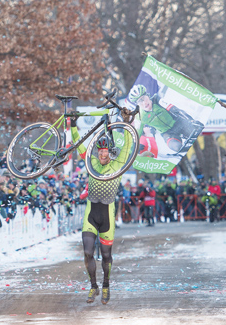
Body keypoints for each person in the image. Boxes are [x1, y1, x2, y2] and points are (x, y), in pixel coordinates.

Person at [71, 107, 134, 305]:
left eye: (105, 151)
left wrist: (127, 122)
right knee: (88, 252)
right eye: (100, 151)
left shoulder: (118, 165)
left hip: (107, 215)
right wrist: (73, 125)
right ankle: (93, 287)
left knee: (106, 256)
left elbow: (129, 144)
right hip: (91, 213)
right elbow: (80, 146)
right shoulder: (92, 164)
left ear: (110, 153)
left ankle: (106, 284)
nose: (102, 154)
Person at [128, 84, 203, 154]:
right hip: (168, 133)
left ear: (147, 95)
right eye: (140, 101)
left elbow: (176, 110)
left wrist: (191, 120)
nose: (144, 103)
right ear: (137, 104)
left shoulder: (157, 100)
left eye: (144, 98)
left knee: (197, 132)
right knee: (176, 147)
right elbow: (137, 133)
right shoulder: (140, 116)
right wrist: (133, 148)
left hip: (179, 123)